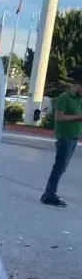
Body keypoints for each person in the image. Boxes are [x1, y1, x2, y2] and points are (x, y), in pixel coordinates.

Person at [41, 69, 82, 207]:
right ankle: (49, 195)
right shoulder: (65, 98)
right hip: (65, 138)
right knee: (59, 167)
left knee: (61, 168)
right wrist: (79, 117)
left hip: (73, 138)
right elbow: (58, 117)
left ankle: (48, 193)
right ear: (78, 86)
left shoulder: (79, 99)